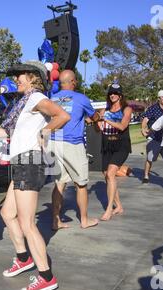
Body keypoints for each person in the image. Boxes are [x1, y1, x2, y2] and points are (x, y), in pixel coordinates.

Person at [0, 60, 70, 290]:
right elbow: (8, 132)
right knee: (7, 213)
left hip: (29, 162)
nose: (16, 79)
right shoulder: (23, 103)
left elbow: (61, 115)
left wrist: (45, 131)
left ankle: (46, 277)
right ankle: (24, 258)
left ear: (33, 78)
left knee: (27, 223)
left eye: (20, 75)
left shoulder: (35, 98)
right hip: (22, 162)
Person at [49, 69, 100, 230]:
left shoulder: (52, 98)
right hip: (72, 144)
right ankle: (84, 220)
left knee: (59, 183)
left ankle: (55, 221)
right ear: (73, 82)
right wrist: (98, 116)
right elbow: (93, 117)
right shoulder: (81, 98)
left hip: (53, 143)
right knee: (81, 183)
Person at [97, 83, 132, 221]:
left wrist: (106, 119)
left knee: (111, 173)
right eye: (110, 93)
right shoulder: (104, 110)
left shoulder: (126, 109)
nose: (112, 95)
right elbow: (99, 128)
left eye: (115, 93)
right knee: (106, 175)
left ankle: (109, 209)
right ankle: (119, 206)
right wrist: (96, 122)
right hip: (107, 144)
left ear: (120, 95)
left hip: (121, 145)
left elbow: (123, 126)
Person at [141, 90, 163, 184]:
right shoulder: (153, 108)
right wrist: (143, 129)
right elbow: (145, 119)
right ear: (159, 98)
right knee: (150, 158)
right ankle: (146, 175)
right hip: (154, 137)